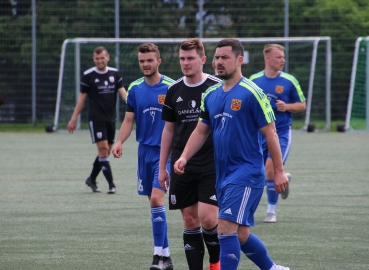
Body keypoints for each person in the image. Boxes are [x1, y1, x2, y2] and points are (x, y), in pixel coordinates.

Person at [173, 38, 290, 270]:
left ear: (239, 60)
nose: (218, 62)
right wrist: (184, 156)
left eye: (224, 57)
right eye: (217, 58)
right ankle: (272, 268)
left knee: (224, 227)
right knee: (241, 234)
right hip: (223, 174)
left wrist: (278, 172)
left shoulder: (252, 92)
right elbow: (201, 130)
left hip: (246, 173)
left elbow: (271, 134)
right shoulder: (211, 93)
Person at [159, 38, 221, 270]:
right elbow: (168, 131)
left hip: (211, 164)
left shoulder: (216, 87)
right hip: (181, 166)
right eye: (182, 59)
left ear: (203, 60)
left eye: (191, 58)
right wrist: (162, 167)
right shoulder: (173, 90)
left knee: (207, 218)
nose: (185, 63)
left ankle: (215, 263)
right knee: (189, 220)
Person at [111, 43, 174, 270]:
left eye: (149, 60)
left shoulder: (171, 87)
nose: (145, 64)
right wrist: (119, 142)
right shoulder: (135, 89)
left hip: (164, 153)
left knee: (157, 200)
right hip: (144, 153)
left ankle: (159, 256)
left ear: (159, 61)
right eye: (142, 61)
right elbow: (129, 121)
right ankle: (165, 256)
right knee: (154, 204)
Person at [249, 44, 306, 223]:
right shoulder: (254, 80)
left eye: (283, 57)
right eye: (279, 57)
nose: (283, 60)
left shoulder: (289, 80)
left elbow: (302, 105)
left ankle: (270, 212)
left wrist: (287, 106)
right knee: (258, 172)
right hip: (258, 134)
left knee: (270, 170)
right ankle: (284, 180)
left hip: (280, 132)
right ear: (268, 59)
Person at [67, 46, 126, 194]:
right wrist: (73, 119)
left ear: (108, 58)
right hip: (96, 119)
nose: (100, 61)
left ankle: (91, 179)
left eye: (102, 58)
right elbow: (81, 100)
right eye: (97, 58)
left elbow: (124, 94)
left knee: (104, 153)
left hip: (111, 119)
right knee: (104, 150)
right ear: (94, 59)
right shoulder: (88, 75)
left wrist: (136, 107)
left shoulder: (114, 74)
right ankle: (111, 185)